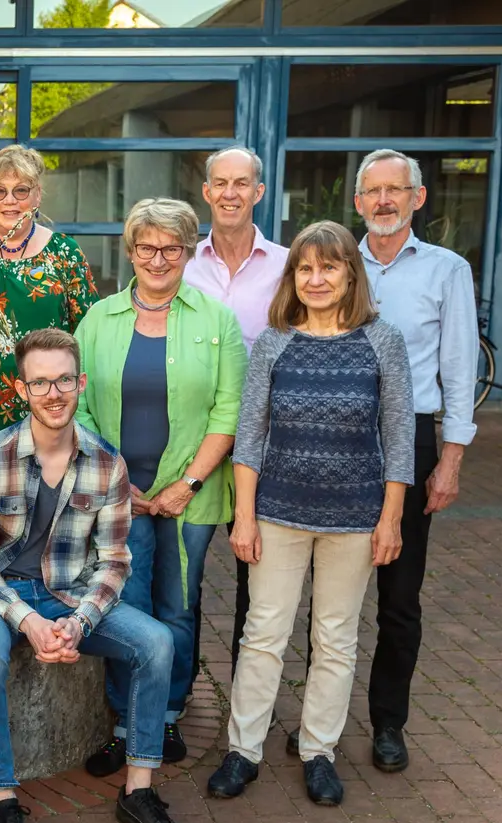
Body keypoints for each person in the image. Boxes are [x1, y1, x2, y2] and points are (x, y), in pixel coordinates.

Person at [0, 328, 189, 823]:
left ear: (80, 382)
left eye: (64, 379)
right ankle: (2, 799)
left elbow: (114, 563)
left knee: (157, 643)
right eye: (40, 382)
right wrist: (28, 623)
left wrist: (80, 622)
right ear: (21, 389)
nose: (53, 392)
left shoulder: (108, 463)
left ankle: (139, 790)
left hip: (70, 593)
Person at [207, 220, 415, 807]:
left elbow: (398, 437)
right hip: (278, 512)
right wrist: (244, 516)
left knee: (335, 637)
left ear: (351, 273)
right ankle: (243, 750)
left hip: (354, 517)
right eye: (305, 268)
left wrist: (391, 518)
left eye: (329, 267)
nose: (316, 279)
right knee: (263, 633)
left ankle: (318, 751)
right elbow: (250, 436)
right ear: (292, 276)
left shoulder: (382, 340)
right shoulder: (274, 341)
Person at [74, 198, 246, 777]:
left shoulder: (215, 320)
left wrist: (189, 481)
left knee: (178, 607)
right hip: (118, 495)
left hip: (190, 494)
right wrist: (119, 481)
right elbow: (80, 408)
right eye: (146, 248)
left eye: (171, 248)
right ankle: (124, 723)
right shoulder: (99, 319)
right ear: (130, 252)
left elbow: (230, 409)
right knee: (126, 606)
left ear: (188, 252)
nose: (158, 259)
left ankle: (168, 711)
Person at [353, 149, 479, 774]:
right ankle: (315, 723)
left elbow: (459, 368)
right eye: (372, 192)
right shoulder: (332, 264)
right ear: (357, 203)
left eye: (394, 191)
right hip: (338, 444)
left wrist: (450, 459)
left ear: (417, 198)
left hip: (412, 439)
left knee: (399, 597)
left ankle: (387, 723)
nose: (383, 201)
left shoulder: (446, 270)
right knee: (328, 597)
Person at [180, 145, 297, 753]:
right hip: (195, 448)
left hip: (267, 445)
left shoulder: (286, 267)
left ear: (258, 191)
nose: (229, 192)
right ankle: (183, 696)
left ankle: (251, 711)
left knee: (260, 584)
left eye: (241, 183)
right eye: (219, 183)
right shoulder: (181, 265)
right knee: (187, 579)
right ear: (206, 192)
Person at [0, 145, 100, 454]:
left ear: (37, 196)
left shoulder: (64, 252)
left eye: (21, 191)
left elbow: (89, 333)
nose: (10, 201)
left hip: (47, 405)